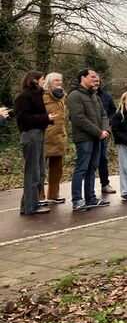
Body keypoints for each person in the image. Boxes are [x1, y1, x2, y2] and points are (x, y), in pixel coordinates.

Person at [66, 68, 111, 211]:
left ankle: (90, 198)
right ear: (82, 78)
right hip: (84, 138)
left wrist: (105, 130)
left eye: (96, 76)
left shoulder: (95, 96)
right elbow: (79, 119)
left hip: (98, 138)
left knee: (92, 168)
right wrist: (98, 132)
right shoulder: (74, 96)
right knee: (81, 168)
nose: (95, 79)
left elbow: (104, 115)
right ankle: (77, 200)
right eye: (92, 76)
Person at [14, 71, 56, 215]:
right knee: (33, 172)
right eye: (43, 79)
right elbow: (23, 119)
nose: (45, 81)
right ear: (35, 80)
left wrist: (46, 119)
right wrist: (45, 118)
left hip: (38, 134)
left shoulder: (37, 95)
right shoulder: (25, 96)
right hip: (31, 135)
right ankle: (30, 207)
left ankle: (28, 205)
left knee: (39, 172)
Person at [42, 72, 68, 205]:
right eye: (56, 80)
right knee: (40, 169)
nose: (59, 82)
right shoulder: (42, 97)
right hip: (44, 137)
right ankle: (39, 196)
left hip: (59, 137)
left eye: (60, 80)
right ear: (49, 82)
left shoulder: (62, 97)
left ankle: (54, 194)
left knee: (57, 170)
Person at [96, 77, 116, 194]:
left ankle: (105, 184)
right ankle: (87, 190)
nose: (96, 82)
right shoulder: (81, 95)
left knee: (103, 159)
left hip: (103, 132)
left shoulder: (106, 96)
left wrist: (108, 122)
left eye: (98, 80)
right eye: (93, 79)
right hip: (89, 133)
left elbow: (113, 111)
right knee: (88, 162)